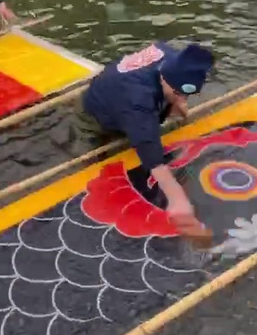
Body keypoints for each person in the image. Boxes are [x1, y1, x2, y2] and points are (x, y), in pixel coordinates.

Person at [83, 42, 215, 240]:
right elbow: (151, 155)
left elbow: (173, 89)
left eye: (187, 94)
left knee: (162, 123)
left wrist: (178, 100)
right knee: (105, 162)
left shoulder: (169, 54)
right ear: (164, 78)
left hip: (124, 90)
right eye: (178, 93)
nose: (182, 98)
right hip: (99, 111)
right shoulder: (138, 100)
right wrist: (177, 198)